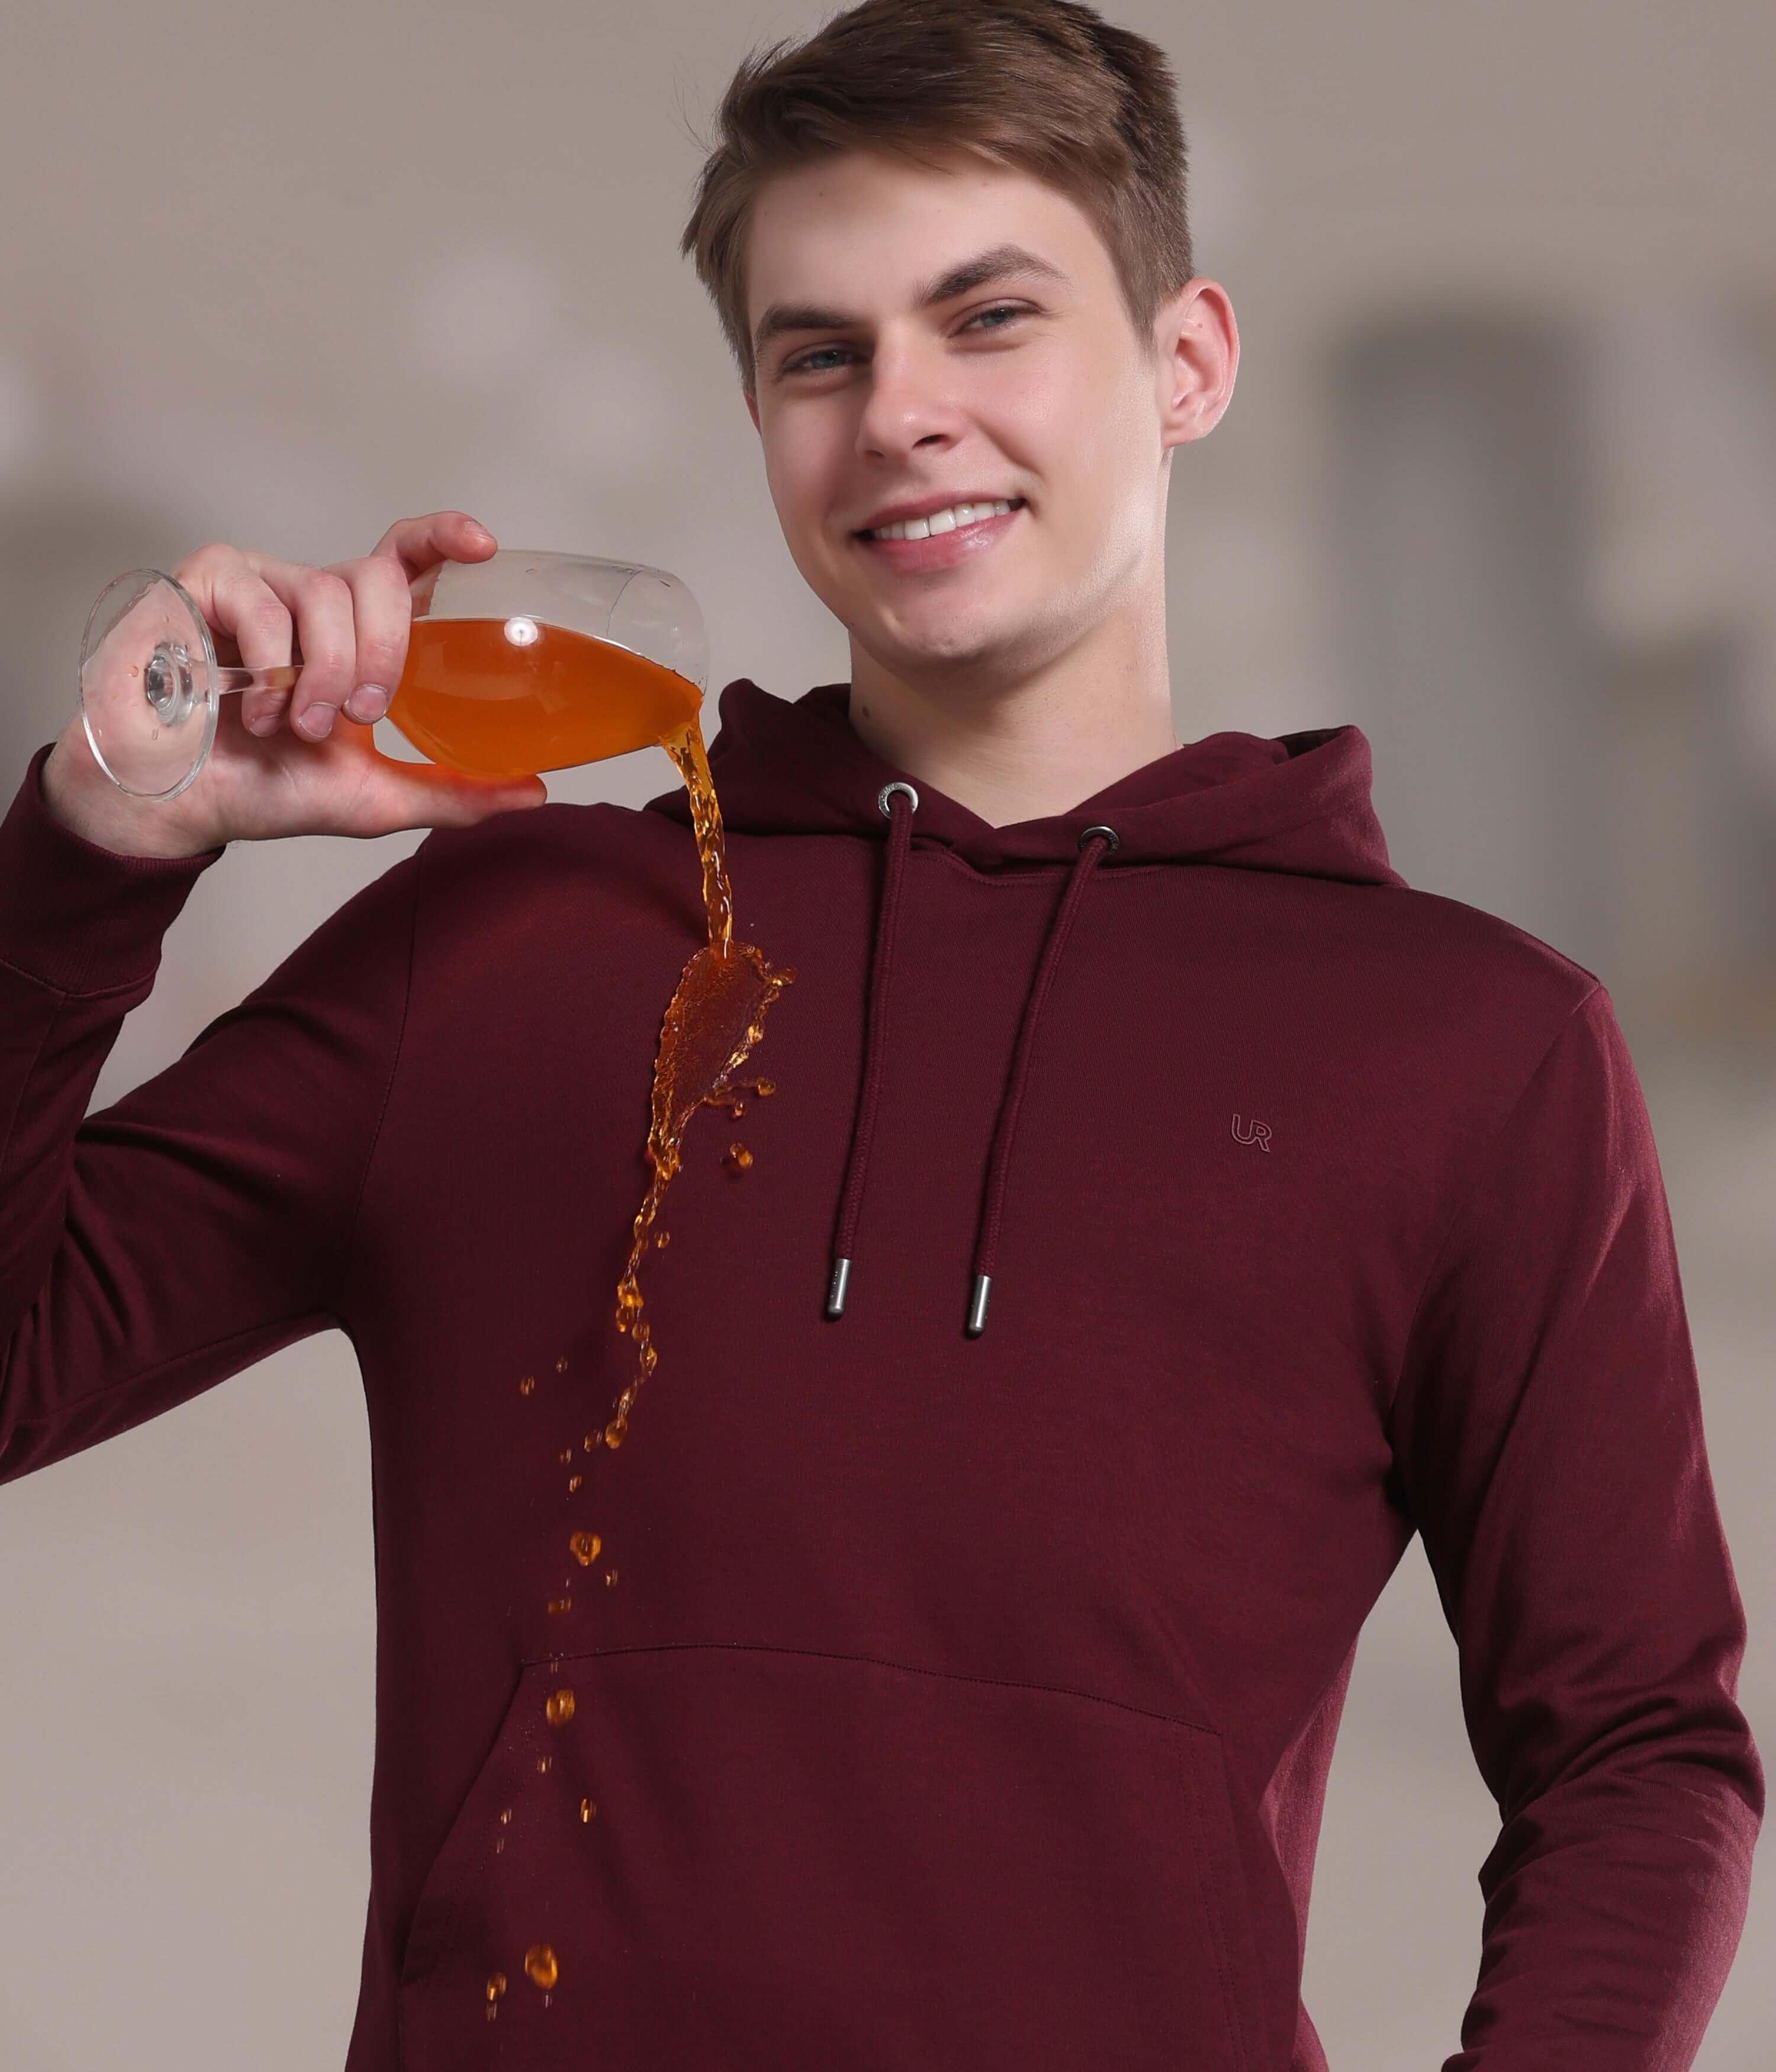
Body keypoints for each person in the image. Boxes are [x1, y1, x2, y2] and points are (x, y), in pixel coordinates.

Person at [2, 0, 1761, 2064]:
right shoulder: (507, 947)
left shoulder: (1471, 1048)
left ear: (1186, 361)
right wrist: (96, 840)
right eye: (818, 353)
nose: (900, 414)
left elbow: (1642, 1753)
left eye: (988, 317)